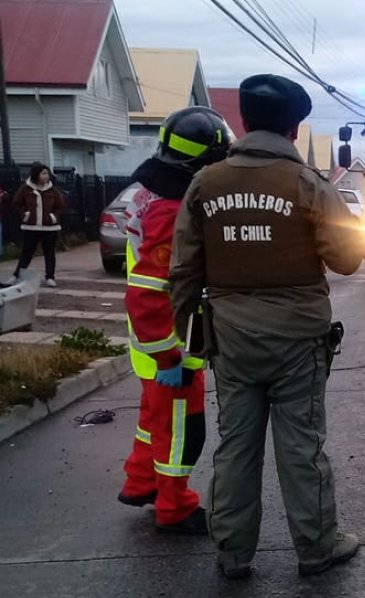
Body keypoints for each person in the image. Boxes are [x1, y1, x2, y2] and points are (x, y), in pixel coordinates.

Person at [169, 74, 365, 579]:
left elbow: (184, 271)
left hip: (230, 340)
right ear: (295, 129)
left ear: (243, 122)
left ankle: (233, 553)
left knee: (235, 444)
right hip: (299, 340)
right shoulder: (306, 185)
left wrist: (178, 341)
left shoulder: (205, 183)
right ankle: (317, 548)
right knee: (301, 445)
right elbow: (347, 260)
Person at [117, 106, 234, 535]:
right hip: (171, 342)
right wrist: (169, 355)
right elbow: (150, 290)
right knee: (183, 428)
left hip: (150, 340)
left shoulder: (147, 192)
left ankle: (140, 481)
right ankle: (175, 505)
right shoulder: (170, 208)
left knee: (153, 419)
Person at [5, 163, 66, 287]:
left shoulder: (52, 190)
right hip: (31, 227)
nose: (46, 176)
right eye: (43, 173)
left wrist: (53, 216)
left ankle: (50, 277)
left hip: (49, 227)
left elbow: (61, 205)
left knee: (49, 252)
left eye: (47, 173)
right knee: (27, 253)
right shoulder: (26, 188)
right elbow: (16, 203)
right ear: (36, 174)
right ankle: (16, 276)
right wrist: (24, 214)